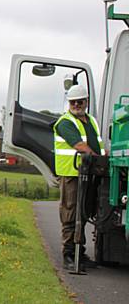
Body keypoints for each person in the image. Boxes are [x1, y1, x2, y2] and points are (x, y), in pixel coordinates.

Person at [53, 84, 104, 271]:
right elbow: (80, 145)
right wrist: (99, 160)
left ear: (86, 102)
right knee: (70, 213)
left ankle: (79, 253)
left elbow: (97, 143)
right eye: (73, 102)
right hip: (71, 174)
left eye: (79, 101)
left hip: (87, 174)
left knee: (83, 213)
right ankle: (68, 254)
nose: (76, 104)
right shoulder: (65, 122)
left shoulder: (91, 121)